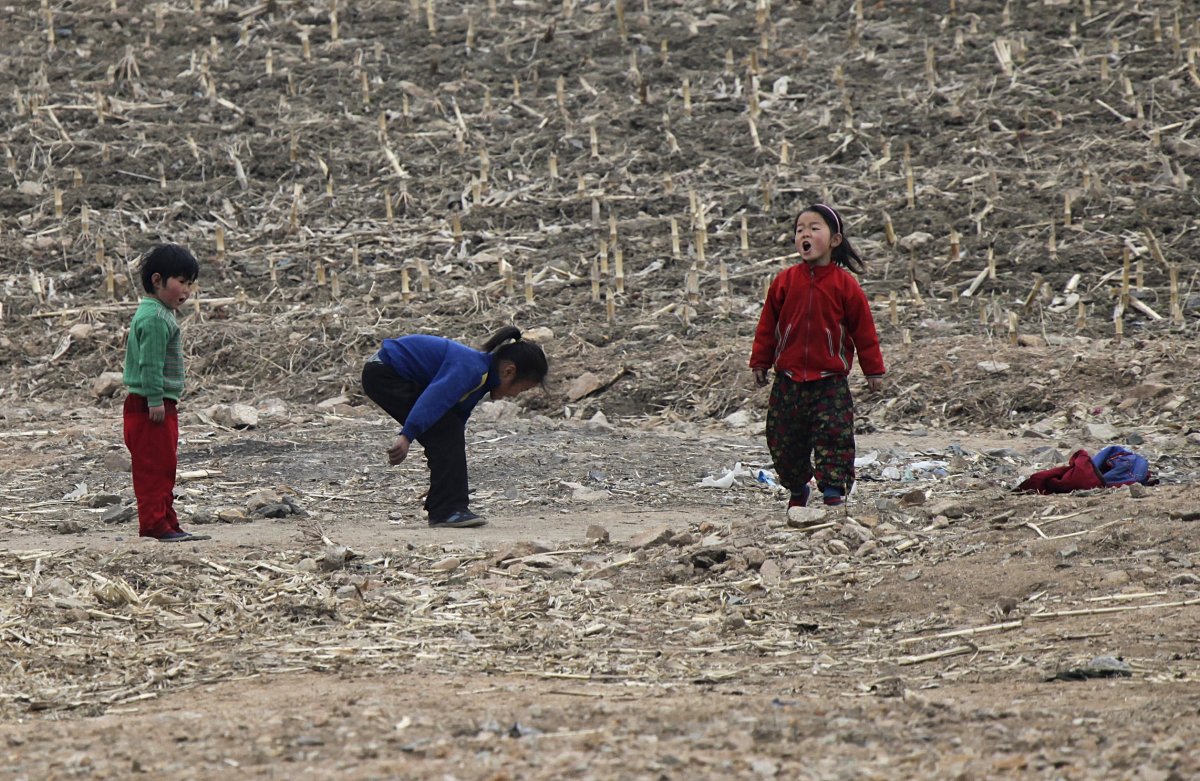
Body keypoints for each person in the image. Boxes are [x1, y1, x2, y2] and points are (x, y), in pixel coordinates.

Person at [749, 204, 885, 510]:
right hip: (788, 380)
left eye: (814, 228)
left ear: (835, 240)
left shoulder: (845, 285)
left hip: (829, 381)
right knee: (783, 440)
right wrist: (760, 362)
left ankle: (834, 490)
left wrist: (873, 370)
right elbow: (767, 326)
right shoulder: (784, 281)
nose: (805, 234)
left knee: (834, 435)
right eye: (800, 230)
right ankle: (798, 488)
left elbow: (864, 331)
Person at [362, 326, 548, 528]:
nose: (516, 395)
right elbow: (435, 399)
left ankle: (446, 505)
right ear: (509, 371)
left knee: (449, 432)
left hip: (388, 372)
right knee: (446, 431)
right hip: (385, 373)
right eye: (523, 388)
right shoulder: (472, 369)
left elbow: (455, 421)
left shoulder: (481, 376)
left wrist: (444, 476)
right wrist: (407, 436)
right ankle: (447, 510)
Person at [122, 244, 209, 542]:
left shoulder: (158, 313)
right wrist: (155, 400)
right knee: (153, 469)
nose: (186, 291)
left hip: (155, 403)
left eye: (189, 284)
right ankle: (154, 525)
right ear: (157, 280)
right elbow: (150, 363)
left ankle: (167, 522)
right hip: (149, 405)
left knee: (164, 466)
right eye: (181, 282)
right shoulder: (156, 319)